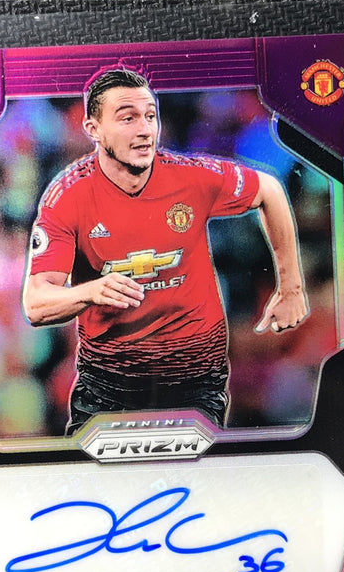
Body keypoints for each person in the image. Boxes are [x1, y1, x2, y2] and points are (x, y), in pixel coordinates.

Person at [23, 67, 308, 433]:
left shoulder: (190, 177)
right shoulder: (67, 196)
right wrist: (91, 291)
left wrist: (291, 289)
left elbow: (269, 189)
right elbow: (36, 304)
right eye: (128, 118)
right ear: (94, 129)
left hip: (193, 379)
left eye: (150, 116)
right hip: (108, 384)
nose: (145, 129)